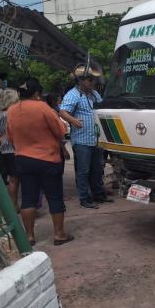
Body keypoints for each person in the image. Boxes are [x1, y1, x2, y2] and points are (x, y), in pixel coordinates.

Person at [7, 79, 73, 246]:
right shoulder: (43, 107)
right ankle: (59, 235)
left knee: (28, 198)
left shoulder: (11, 110)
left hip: (23, 159)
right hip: (48, 159)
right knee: (55, 197)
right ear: (37, 93)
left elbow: (10, 137)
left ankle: (29, 236)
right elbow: (61, 130)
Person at [59, 64, 112, 209]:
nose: (93, 83)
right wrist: (73, 120)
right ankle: (84, 198)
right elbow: (63, 111)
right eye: (90, 80)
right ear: (81, 81)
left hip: (96, 139)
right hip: (82, 140)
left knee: (98, 169)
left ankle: (99, 194)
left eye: (93, 80)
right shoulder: (73, 94)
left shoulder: (94, 94)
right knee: (83, 171)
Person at [0, 89, 20, 211]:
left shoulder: (1, 114)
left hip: (4, 150)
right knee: (15, 179)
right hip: (14, 150)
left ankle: (12, 204)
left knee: (12, 179)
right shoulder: (12, 113)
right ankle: (14, 205)